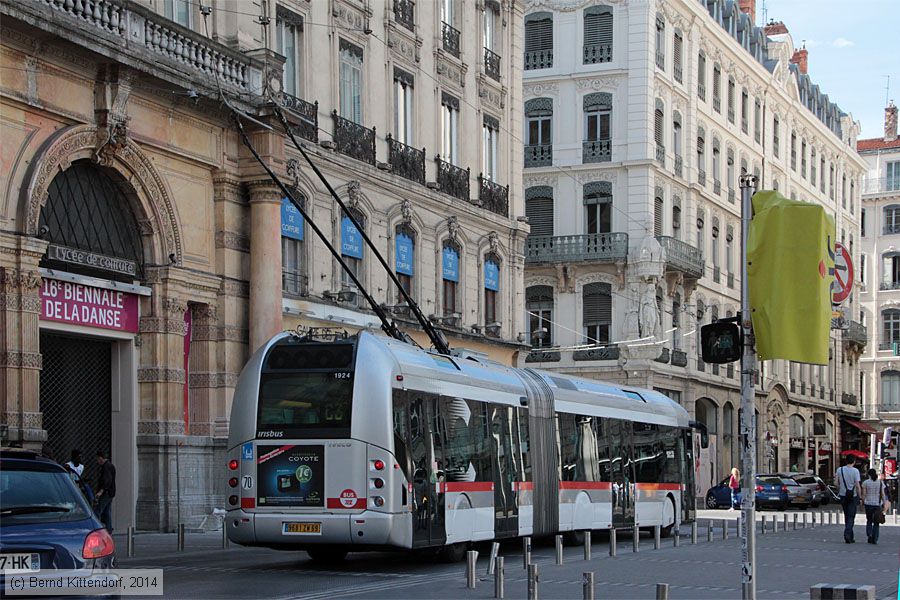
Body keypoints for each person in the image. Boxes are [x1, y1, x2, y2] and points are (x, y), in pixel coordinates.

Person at [835, 454, 862, 543]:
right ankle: (847, 535)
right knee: (851, 516)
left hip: (843, 495)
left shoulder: (840, 470)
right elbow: (857, 486)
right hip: (853, 496)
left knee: (847, 515)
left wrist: (840, 490)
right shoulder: (855, 471)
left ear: (846, 461)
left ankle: (850, 536)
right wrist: (860, 497)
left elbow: (836, 483)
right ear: (854, 461)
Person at [95, 450, 116, 532]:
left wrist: (101, 491)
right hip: (110, 492)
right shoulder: (110, 466)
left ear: (100, 458)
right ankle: (109, 529)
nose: (97, 461)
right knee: (107, 512)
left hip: (106, 493)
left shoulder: (106, 467)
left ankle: (96, 528)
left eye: (97, 459)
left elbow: (107, 480)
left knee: (98, 510)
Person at [861, 469, 885, 545]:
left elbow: (864, 494)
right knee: (876, 522)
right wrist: (884, 503)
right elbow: (882, 494)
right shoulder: (880, 483)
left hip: (868, 503)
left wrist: (862, 502)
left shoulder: (865, 483)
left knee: (869, 520)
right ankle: (875, 538)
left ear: (869, 475)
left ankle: (870, 534)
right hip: (877, 504)